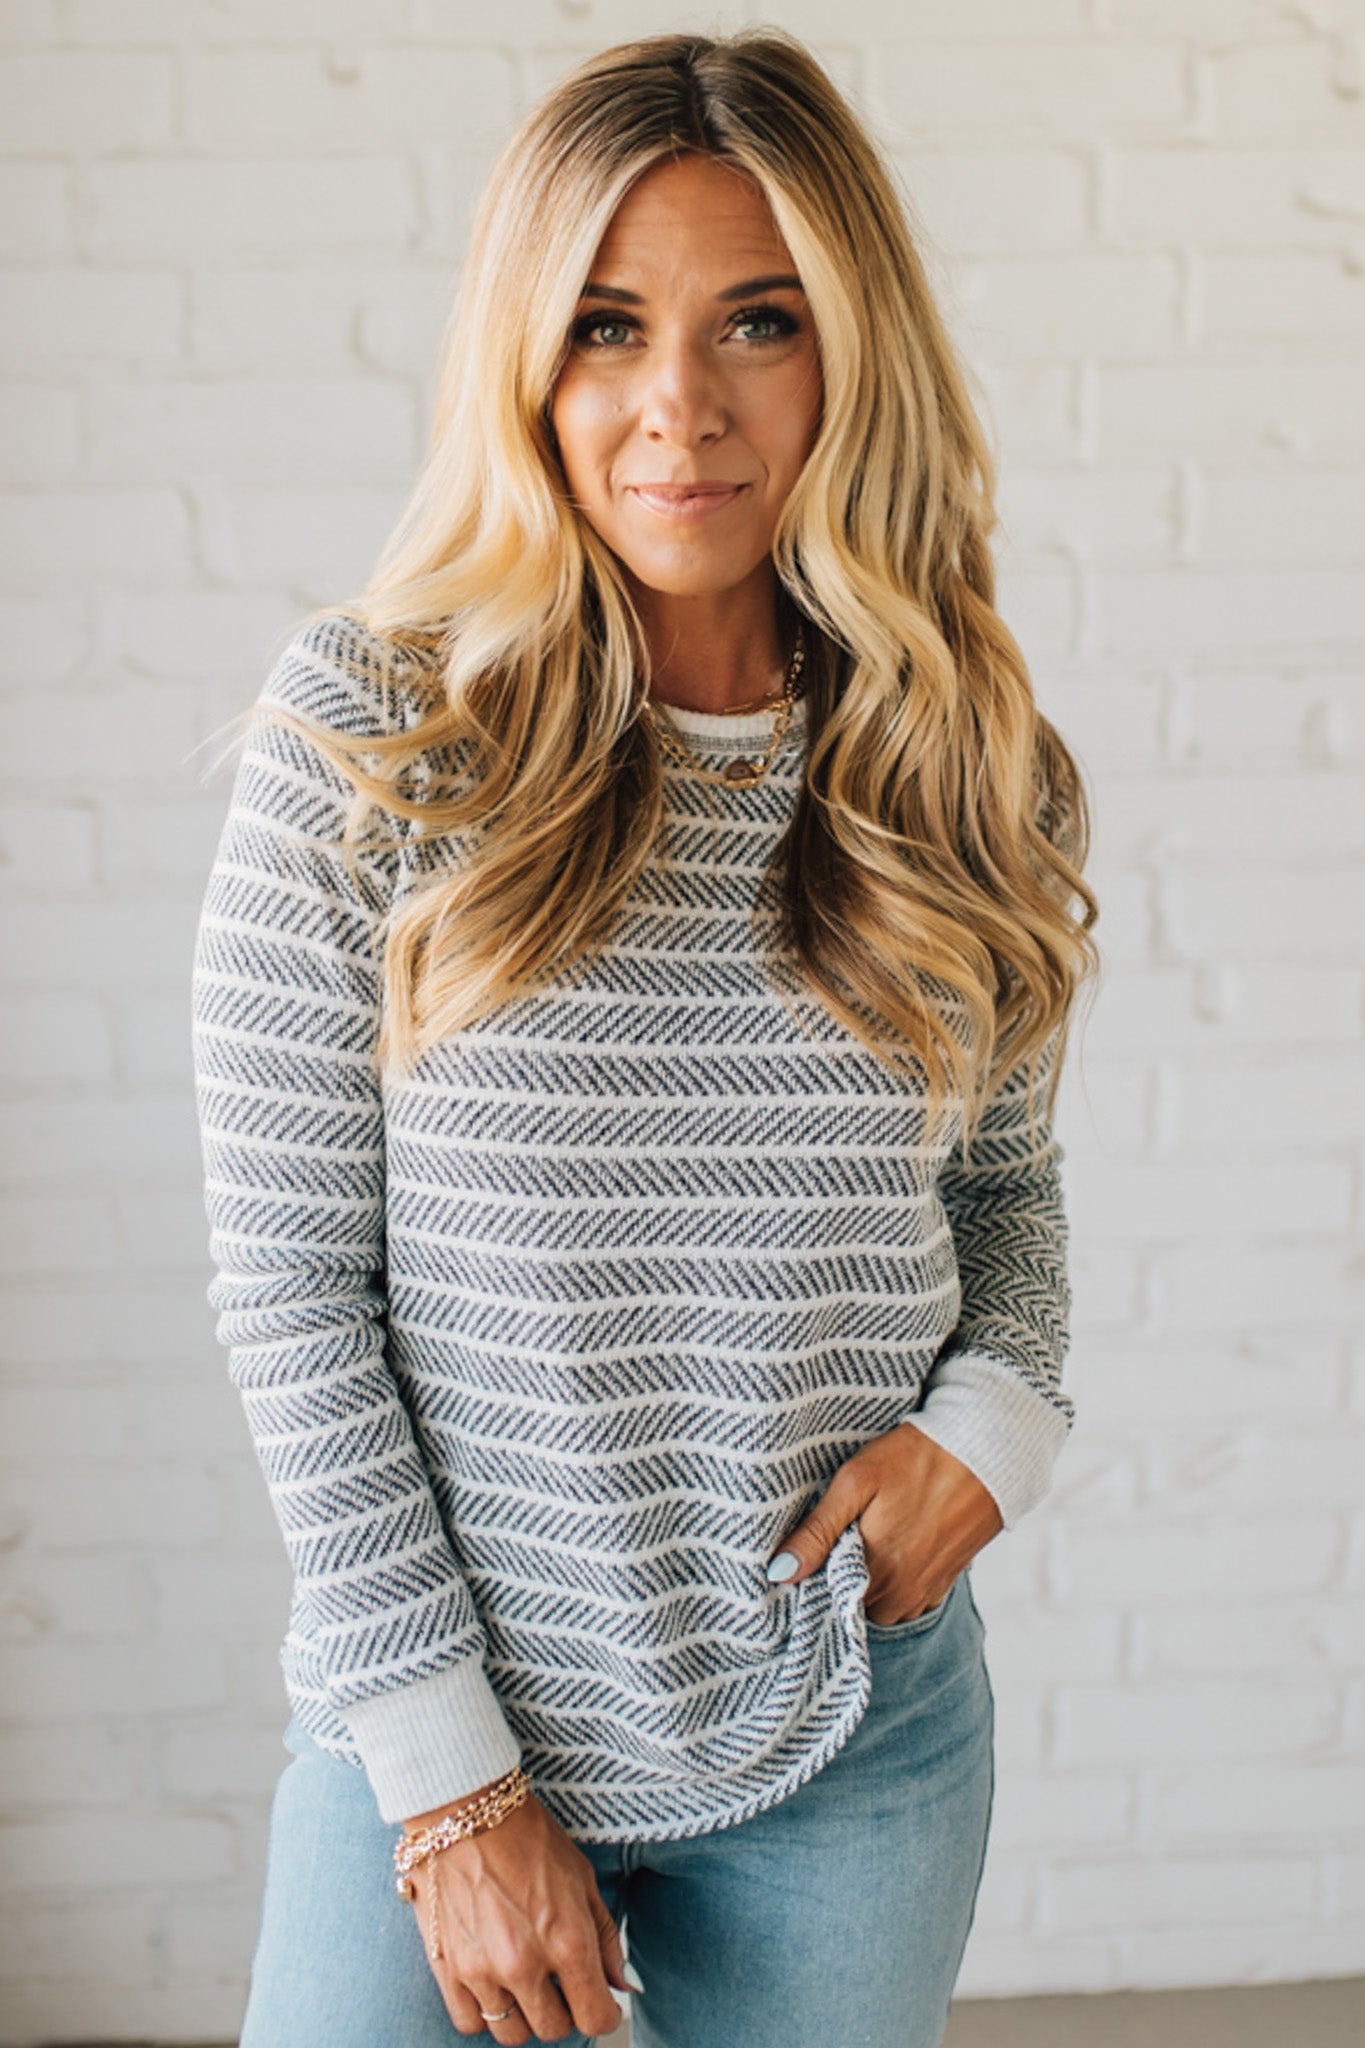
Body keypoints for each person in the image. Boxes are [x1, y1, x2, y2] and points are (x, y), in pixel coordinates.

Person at [192, 27, 1098, 2048]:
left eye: (756, 322)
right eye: (606, 326)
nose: (678, 405)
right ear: (526, 362)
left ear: (849, 353)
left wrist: (991, 1436)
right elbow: (293, 1294)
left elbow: (1004, 1197)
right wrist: (454, 1791)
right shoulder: (376, 737)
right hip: (437, 1732)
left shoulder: (967, 768)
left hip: (848, 1728)